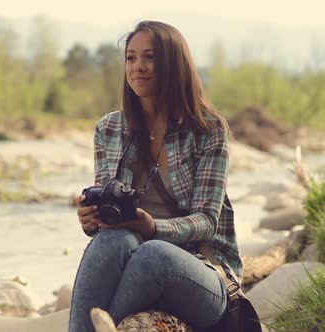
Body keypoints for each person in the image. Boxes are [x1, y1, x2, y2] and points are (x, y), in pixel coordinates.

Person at [69, 20, 242, 332]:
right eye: (131, 58)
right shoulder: (109, 129)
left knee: (154, 253)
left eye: (151, 57)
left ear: (174, 64)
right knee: (112, 239)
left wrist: (153, 227)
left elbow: (206, 220)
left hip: (203, 271)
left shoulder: (208, 129)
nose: (139, 67)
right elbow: (109, 216)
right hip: (133, 262)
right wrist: (92, 218)